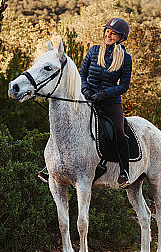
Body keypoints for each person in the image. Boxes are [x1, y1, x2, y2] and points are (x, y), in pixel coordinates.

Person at [37, 17, 134, 188]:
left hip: (110, 102)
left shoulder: (125, 59)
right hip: (87, 97)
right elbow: (82, 73)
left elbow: (124, 86)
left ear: (121, 37)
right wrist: (86, 89)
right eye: (107, 32)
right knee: (65, 124)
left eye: (113, 33)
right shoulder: (94, 51)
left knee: (119, 131)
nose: (109, 35)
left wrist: (104, 94)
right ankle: (51, 166)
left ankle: (124, 172)